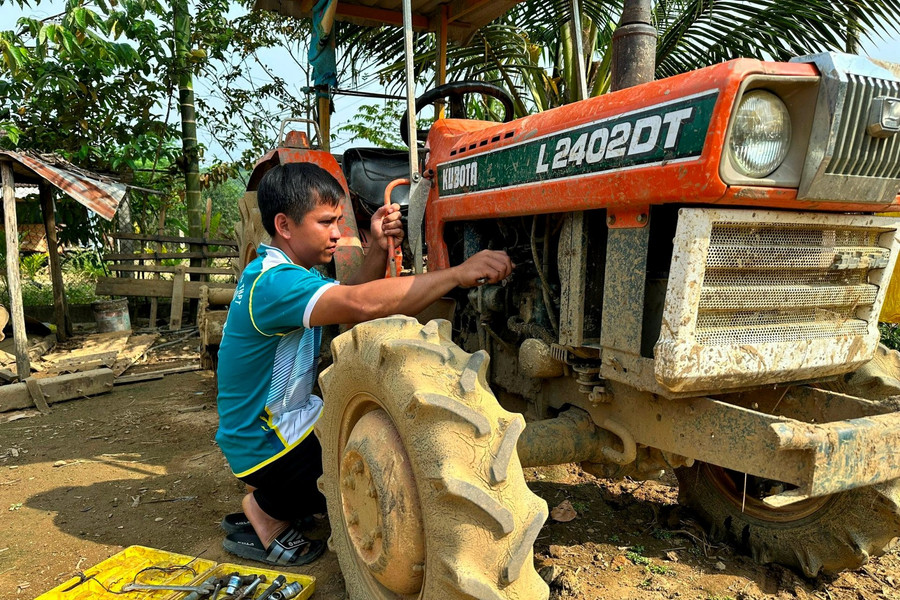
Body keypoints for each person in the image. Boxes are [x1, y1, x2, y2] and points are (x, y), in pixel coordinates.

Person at [215, 162, 513, 566]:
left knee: (377, 449)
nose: (337, 232)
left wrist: (375, 245)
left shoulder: (286, 274)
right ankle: (266, 511)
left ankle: (281, 489)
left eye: (339, 220)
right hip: (262, 440)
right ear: (285, 225)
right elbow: (360, 304)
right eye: (326, 222)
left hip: (287, 420)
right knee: (379, 470)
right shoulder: (274, 283)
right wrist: (457, 274)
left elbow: (351, 298)